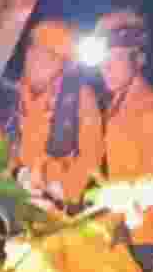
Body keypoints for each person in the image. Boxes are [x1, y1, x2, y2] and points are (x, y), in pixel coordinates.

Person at [93, 8, 153, 272]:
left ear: (138, 58)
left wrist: (127, 199)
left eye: (114, 58)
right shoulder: (115, 108)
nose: (104, 67)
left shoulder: (152, 107)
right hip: (129, 236)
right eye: (101, 60)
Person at [9, 19, 104, 209]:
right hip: (12, 189)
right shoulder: (12, 88)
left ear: (63, 65)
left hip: (53, 200)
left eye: (49, 55)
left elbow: (91, 156)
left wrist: (61, 189)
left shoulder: (80, 96)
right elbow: (3, 140)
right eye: (34, 49)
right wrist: (18, 173)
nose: (37, 59)